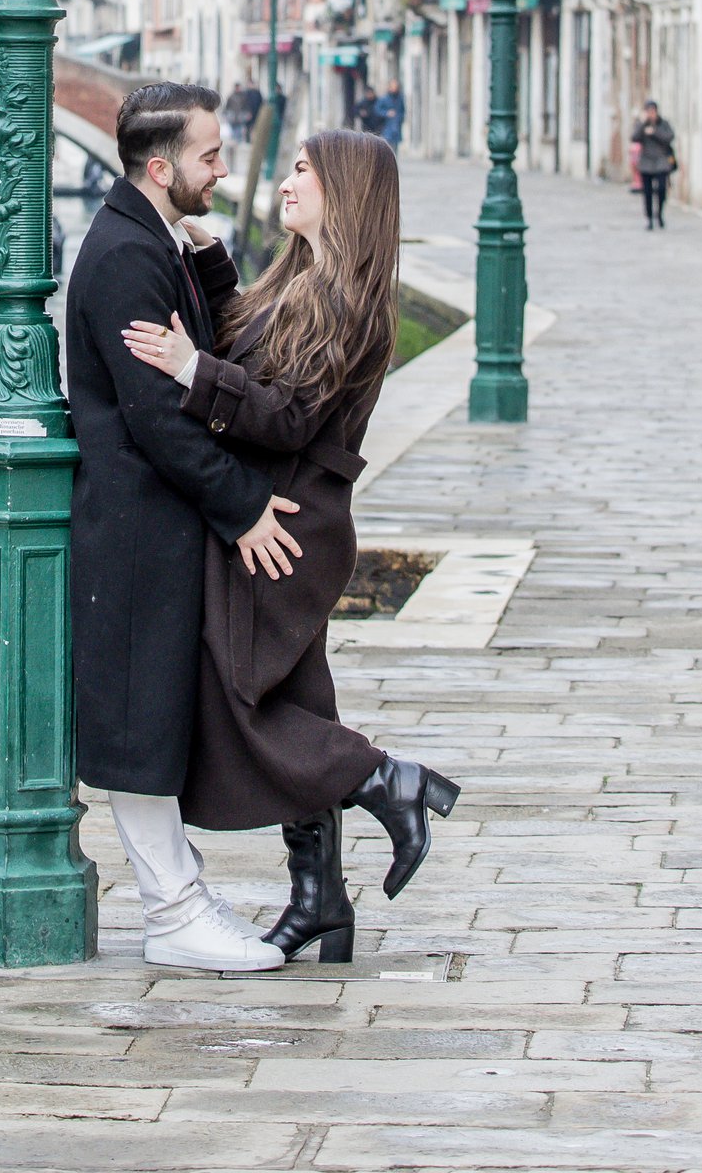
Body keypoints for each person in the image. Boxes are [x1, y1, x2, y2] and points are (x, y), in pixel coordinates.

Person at [121, 129, 462, 961]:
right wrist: (210, 271)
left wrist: (188, 367)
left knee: (242, 702)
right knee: (300, 702)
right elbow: (259, 347)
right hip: (292, 518)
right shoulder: (305, 278)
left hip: (286, 525)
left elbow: (287, 414)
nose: (284, 182)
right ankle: (320, 899)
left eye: (303, 171)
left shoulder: (346, 301)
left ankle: (389, 781)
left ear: (342, 190)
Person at [65, 82, 304, 973]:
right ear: (161, 167)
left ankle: (181, 896)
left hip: (156, 521)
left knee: (156, 707)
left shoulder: (153, 239)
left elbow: (207, 349)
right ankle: (171, 910)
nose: (223, 169)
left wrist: (204, 264)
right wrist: (240, 505)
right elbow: (159, 417)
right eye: (210, 156)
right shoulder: (126, 256)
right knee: (137, 716)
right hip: (134, 523)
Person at [633, 100, 676, 228]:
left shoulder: (663, 124)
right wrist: (643, 124)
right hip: (646, 162)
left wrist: (654, 132)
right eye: (648, 111)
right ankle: (649, 218)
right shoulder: (642, 125)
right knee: (647, 192)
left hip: (661, 162)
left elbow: (669, 137)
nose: (651, 114)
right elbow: (634, 137)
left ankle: (660, 214)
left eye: (653, 111)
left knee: (662, 189)